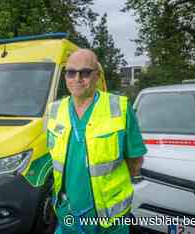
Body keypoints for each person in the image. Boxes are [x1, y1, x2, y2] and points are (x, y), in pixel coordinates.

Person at [47, 49, 147, 234]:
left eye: (85, 72)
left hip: (109, 220)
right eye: (70, 72)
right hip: (67, 215)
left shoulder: (120, 108)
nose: (77, 79)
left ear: (97, 76)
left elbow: (135, 161)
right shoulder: (54, 111)